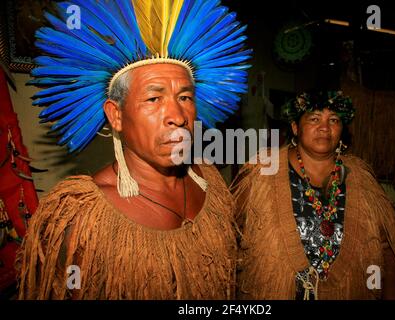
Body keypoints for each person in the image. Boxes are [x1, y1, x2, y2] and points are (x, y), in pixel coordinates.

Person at [16, 0, 251, 299]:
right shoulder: (84, 218)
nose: (178, 117)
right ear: (116, 115)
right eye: (154, 99)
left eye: (185, 97)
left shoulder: (212, 184)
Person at [231, 90, 395, 300]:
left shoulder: (362, 179)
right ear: (295, 127)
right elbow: (230, 237)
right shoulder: (261, 173)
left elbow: (389, 248)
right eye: (314, 118)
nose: (325, 127)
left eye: (333, 120)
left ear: (342, 130)